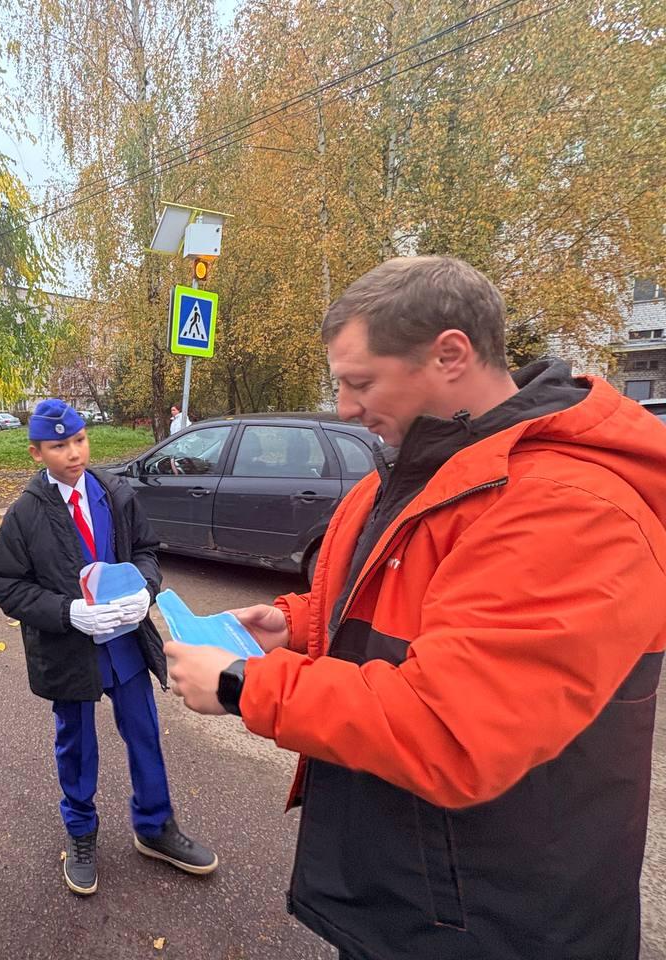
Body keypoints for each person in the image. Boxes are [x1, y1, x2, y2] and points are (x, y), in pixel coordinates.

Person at [164, 255, 666, 960]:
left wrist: (241, 683)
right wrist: (296, 625)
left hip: (499, 917)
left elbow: (454, 727)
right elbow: (401, 606)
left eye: (359, 382)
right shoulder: (422, 473)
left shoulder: (569, 508)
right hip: (413, 887)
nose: (343, 408)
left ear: (450, 354)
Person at [0, 398, 217, 897]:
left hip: (125, 643)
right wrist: (68, 612)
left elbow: (145, 552)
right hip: (69, 649)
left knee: (144, 732)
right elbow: (7, 584)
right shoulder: (25, 514)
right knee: (77, 743)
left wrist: (144, 591)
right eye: (58, 445)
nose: (73, 452)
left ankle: (155, 826)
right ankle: (81, 831)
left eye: (79, 440)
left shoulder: (113, 492)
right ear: (35, 453)